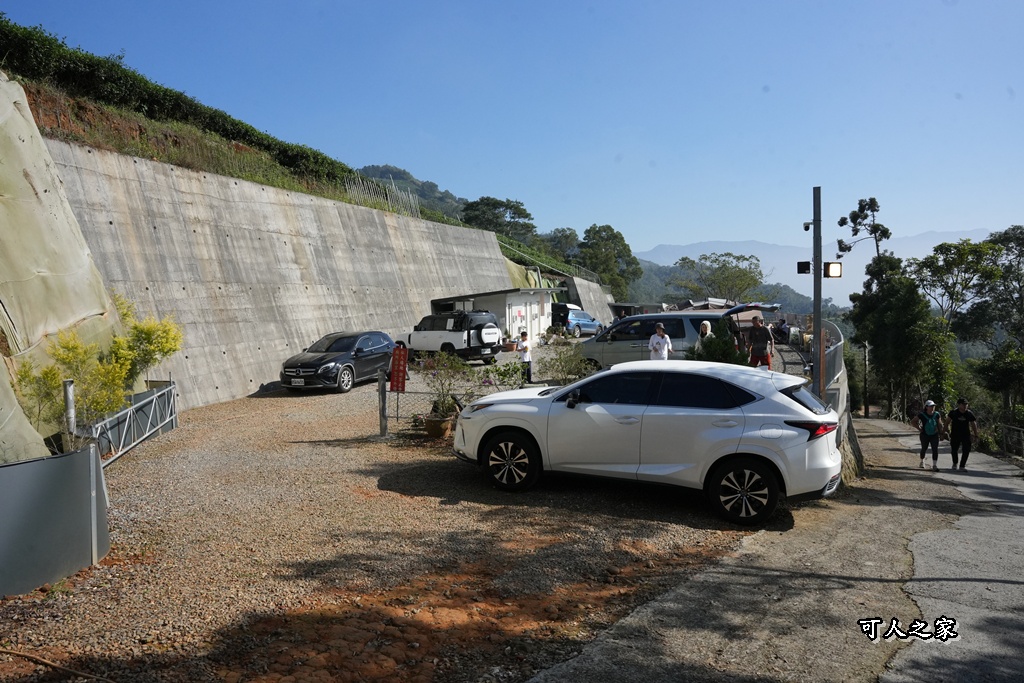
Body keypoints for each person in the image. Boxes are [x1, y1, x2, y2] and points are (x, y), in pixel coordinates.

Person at [944, 397, 980, 470]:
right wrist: (944, 431)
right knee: (954, 450)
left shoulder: (969, 413)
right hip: (955, 434)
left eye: (966, 404)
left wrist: (976, 435)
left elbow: (973, 424)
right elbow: (947, 422)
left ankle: (962, 466)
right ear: (959, 405)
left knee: (966, 450)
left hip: (966, 435)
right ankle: (955, 463)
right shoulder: (953, 412)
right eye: (963, 404)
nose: (965, 406)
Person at [911, 400, 943, 471]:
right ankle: (922, 461)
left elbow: (939, 424)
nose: (932, 407)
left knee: (935, 449)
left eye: (933, 406)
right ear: (926, 407)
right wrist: (919, 429)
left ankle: (934, 465)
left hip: (934, 435)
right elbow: (913, 421)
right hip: (924, 435)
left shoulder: (937, 414)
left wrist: (941, 433)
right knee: (924, 449)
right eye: (931, 406)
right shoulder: (922, 414)